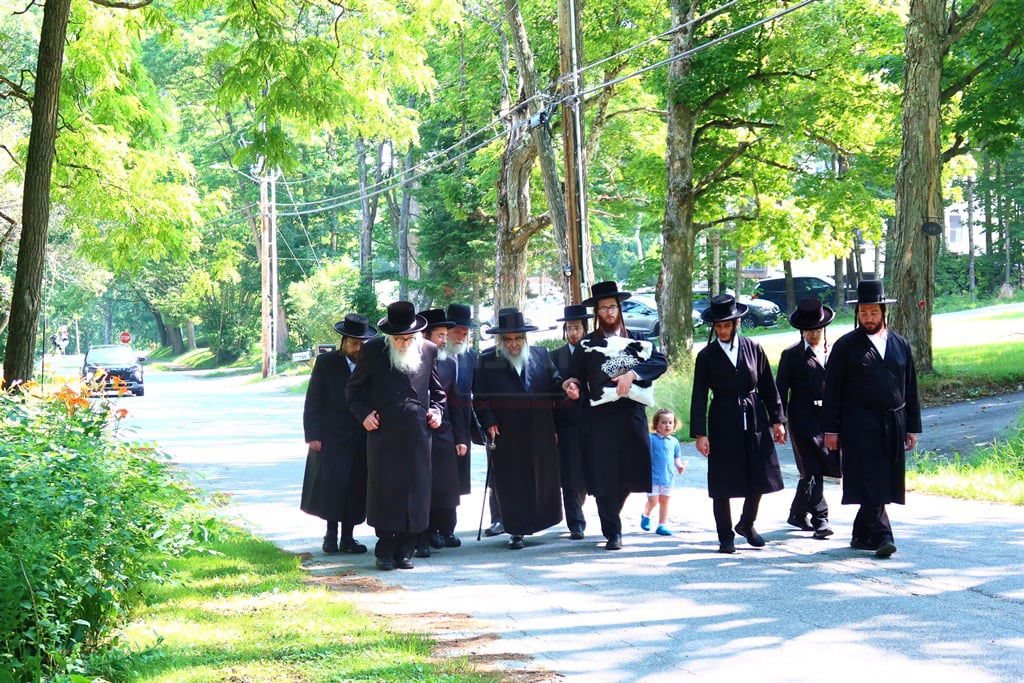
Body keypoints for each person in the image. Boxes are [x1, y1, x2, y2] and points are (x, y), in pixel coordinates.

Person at [563, 281, 668, 551]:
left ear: (619, 309)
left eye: (612, 307)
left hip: (631, 414)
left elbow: (660, 362)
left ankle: (612, 516)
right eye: (603, 308)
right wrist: (572, 386)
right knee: (604, 474)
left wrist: (632, 373)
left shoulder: (638, 339)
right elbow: (575, 376)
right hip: (599, 419)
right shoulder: (588, 344)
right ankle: (613, 531)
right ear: (596, 312)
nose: (608, 312)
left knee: (631, 471)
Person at [822, 280, 921, 559]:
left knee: (883, 477)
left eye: (873, 312)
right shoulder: (846, 346)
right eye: (863, 312)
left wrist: (912, 427)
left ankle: (861, 533)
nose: (868, 318)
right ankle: (883, 535)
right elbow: (831, 390)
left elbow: (910, 387)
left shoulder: (900, 344)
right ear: (857, 313)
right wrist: (831, 429)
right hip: (859, 423)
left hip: (894, 422)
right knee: (872, 476)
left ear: (883, 313)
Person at [346, 301, 446, 570]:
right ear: (389, 336)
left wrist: (437, 412)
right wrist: (364, 415)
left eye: (409, 338)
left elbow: (438, 393)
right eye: (399, 339)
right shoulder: (373, 350)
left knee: (416, 491)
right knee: (386, 491)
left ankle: (406, 550)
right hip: (384, 433)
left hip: (418, 434)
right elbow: (353, 392)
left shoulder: (428, 349)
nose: (404, 343)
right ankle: (385, 551)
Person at [690, 294, 787, 554]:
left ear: (736, 324)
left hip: (754, 414)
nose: (722, 330)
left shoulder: (753, 347)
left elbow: (768, 386)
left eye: (727, 325)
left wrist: (778, 420)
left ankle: (747, 523)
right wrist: (700, 433)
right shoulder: (706, 356)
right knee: (722, 477)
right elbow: (699, 395)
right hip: (723, 417)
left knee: (759, 472)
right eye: (718, 326)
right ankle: (725, 536)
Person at [472, 308, 565, 549]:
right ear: (500, 340)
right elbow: (480, 398)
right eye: (508, 339)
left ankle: (539, 522)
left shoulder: (541, 355)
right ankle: (516, 530)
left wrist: (567, 387)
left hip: (540, 430)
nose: (514, 343)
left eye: (518, 338)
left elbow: (555, 385)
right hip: (507, 431)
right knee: (513, 482)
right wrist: (489, 421)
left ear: (525, 338)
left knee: (540, 478)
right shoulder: (487, 360)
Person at [301, 314, 377, 554]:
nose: (358, 349)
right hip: (330, 436)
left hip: (360, 436)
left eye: (363, 344)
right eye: (354, 343)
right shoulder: (327, 362)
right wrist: (312, 434)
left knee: (355, 487)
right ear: (344, 342)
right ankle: (330, 536)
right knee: (332, 487)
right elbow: (313, 400)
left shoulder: (372, 364)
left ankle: (348, 538)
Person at [776, 298, 841, 539]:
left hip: (830, 419)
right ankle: (820, 518)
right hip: (802, 419)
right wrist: (778, 421)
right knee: (812, 467)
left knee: (819, 467)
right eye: (808, 330)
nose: (812, 334)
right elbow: (779, 390)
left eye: (817, 329)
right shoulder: (791, 355)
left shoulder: (836, 351)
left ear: (824, 328)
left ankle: (797, 512)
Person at [414, 309, 470, 557]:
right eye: (440, 335)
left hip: (445, 433)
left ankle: (446, 529)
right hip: (419, 434)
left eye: (446, 335)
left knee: (447, 487)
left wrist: (461, 438)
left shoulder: (449, 363)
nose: (444, 340)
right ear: (426, 336)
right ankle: (424, 534)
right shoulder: (412, 362)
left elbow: (456, 403)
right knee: (423, 488)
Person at [551, 304, 592, 539]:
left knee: (587, 474)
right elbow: (550, 389)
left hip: (592, 422)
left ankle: (580, 509)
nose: (573, 333)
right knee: (569, 475)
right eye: (569, 328)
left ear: (585, 329)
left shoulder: (594, 352)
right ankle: (575, 523)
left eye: (577, 328)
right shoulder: (555, 356)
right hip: (565, 423)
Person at [446, 303, 485, 511]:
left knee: (458, 478)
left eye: (464, 333)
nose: (461, 337)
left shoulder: (471, 356)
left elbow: (477, 393)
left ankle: (449, 522)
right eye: (456, 332)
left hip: (463, 422)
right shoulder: (434, 353)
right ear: (447, 332)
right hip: (439, 421)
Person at [641, 409, 686, 536]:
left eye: (670, 423)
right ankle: (645, 514)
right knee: (653, 501)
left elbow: (676, 457)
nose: (667, 425)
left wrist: (680, 466)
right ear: (656, 424)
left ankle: (662, 525)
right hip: (652, 478)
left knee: (665, 502)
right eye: (664, 422)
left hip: (668, 478)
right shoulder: (651, 439)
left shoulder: (674, 442)